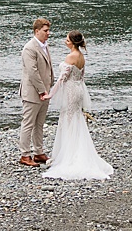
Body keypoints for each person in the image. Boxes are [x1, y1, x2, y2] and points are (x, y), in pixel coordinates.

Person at [42, 30, 111, 180]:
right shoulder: (81, 57)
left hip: (71, 90)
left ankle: (70, 155)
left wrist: (50, 94)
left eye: (67, 39)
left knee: (69, 120)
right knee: (76, 119)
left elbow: (62, 79)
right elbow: (81, 75)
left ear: (73, 42)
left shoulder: (71, 56)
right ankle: (74, 151)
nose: (65, 41)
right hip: (79, 88)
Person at [17, 17, 55, 167]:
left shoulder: (44, 45)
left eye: (48, 30)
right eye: (45, 31)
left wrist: (49, 86)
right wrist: (41, 90)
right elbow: (32, 72)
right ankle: (25, 154)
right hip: (33, 93)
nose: (48, 33)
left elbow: (47, 68)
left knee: (39, 123)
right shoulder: (29, 48)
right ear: (36, 31)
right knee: (28, 123)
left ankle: (39, 152)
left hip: (45, 91)